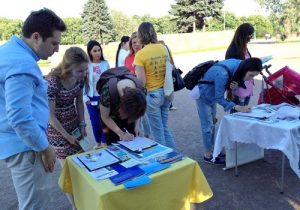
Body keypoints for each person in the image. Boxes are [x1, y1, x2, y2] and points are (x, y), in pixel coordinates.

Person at [0, 8, 66, 210]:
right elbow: (19, 116)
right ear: (36, 37)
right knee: (36, 206)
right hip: (28, 147)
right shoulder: (22, 63)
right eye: (54, 43)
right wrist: (44, 147)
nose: (56, 50)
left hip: (18, 143)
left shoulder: (10, 51)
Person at [195, 58, 263, 165]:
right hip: (204, 95)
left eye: (254, 76)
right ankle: (208, 154)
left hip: (211, 94)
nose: (251, 79)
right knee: (207, 126)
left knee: (212, 123)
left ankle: (213, 150)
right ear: (246, 69)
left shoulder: (239, 65)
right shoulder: (223, 74)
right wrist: (238, 107)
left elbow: (228, 86)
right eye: (251, 75)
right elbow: (219, 98)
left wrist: (233, 87)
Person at [46, 47, 89, 209]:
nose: (84, 74)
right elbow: (50, 116)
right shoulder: (53, 82)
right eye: (80, 71)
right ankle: (75, 206)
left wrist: (82, 124)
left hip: (74, 124)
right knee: (68, 173)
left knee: (82, 166)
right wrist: (66, 136)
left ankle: (84, 200)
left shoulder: (80, 79)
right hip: (57, 130)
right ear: (68, 68)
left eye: (86, 70)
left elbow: (79, 102)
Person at [134, 22, 176, 149]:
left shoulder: (141, 54)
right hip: (167, 92)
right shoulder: (163, 48)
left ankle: (165, 159)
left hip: (152, 95)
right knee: (164, 127)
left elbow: (142, 82)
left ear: (141, 35)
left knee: (157, 132)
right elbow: (171, 69)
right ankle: (175, 156)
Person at [97, 67, 147, 145]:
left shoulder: (141, 90)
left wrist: (137, 126)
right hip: (110, 117)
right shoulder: (107, 92)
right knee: (113, 142)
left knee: (133, 139)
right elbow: (105, 117)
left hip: (129, 112)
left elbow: (138, 111)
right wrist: (121, 133)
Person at [124, 32, 150, 137]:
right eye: (133, 42)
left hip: (144, 90)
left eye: (138, 42)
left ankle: (147, 136)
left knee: (145, 116)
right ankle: (141, 137)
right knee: (137, 116)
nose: (136, 45)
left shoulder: (145, 55)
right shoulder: (128, 58)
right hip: (132, 91)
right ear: (130, 44)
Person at [84, 40, 110, 147]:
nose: (98, 53)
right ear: (90, 52)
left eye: (99, 50)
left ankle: (105, 142)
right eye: (95, 51)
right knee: (95, 123)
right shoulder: (87, 66)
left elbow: (110, 80)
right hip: (91, 98)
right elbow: (83, 83)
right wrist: (86, 98)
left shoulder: (105, 64)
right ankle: (98, 142)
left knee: (105, 121)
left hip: (103, 98)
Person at [225, 23, 255, 107]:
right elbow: (232, 71)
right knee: (237, 116)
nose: (250, 39)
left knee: (243, 116)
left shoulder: (244, 48)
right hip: (239, 90)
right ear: (243, 36)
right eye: (249, 36)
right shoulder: (233, 50)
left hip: (246, 88)